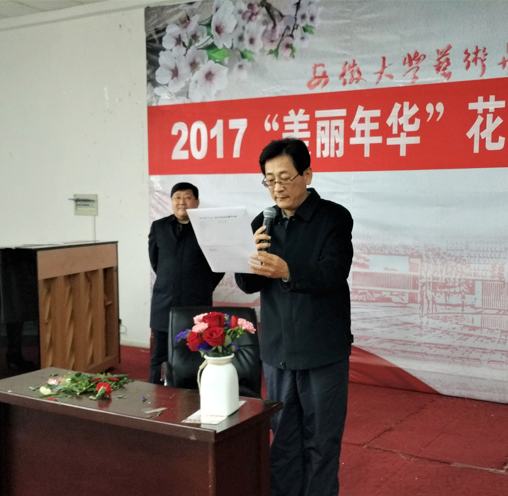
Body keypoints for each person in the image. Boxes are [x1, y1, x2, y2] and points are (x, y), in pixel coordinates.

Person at [236, 138, 354, 496]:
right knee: (283, 438)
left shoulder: (334, 218)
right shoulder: (263, 221)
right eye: (269, 180)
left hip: (322, 351)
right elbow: (246, 284)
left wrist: (287, 271)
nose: (277, 188)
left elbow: (334, 273)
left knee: (321, 440)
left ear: (307, 175)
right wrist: (245, 256)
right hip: (278, 351)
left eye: (285, 178)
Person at [148, 182, 224, 384]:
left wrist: (202, 285)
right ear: (171, 201)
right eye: (177, 197)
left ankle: (192, 392)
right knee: (160, 354)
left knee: (195, 351)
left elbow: (219, 265)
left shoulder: (208, 229)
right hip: (164, 300)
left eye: (187, 197)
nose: (182, 202)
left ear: (196, 202)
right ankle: (154, 391)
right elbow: (155, 261)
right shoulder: (159, 227)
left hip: (196, 301)